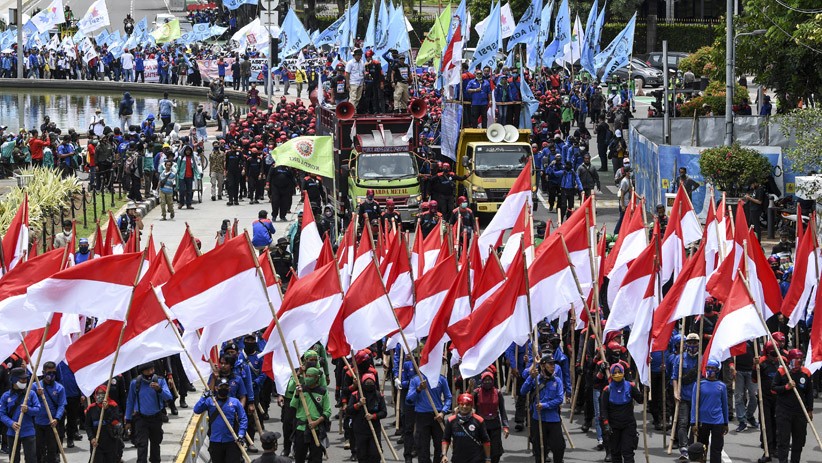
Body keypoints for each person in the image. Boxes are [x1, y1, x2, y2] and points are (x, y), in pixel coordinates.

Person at [771, 348, 813, 463]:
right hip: (784, 411)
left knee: (799, 441)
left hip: (800, 412)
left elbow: (809, 392)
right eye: (796, 359)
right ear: (790, 360)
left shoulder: (806, 373)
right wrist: (786, 387)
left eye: (800, 359)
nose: (798, 361)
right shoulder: (781, 372)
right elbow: (773, 389)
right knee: (783, 441)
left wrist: (810, 410)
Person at [125, 362, 173, 463]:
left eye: (152, 370)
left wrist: (159, 390)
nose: (150, 373)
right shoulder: (135, 383)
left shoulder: (160, 380)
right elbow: (130, 401)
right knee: (142, 445)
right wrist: (128, 420)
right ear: (142, 372)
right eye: (147, 371)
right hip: (141, 419)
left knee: (155, 443)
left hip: (156, 418)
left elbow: (169, 397)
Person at [521, 356, 565, 463]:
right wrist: (530, 377)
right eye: (550, 364)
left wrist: (545, 405)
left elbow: (559, 399)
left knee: (559, 447)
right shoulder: (535, 379)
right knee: (540, 449)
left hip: (553, 419)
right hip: (538, 419)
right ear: (542, 366)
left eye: (553, 364)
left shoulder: (557, 381)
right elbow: (523, 391)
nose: (552, 367)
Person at [194, 377, 248, 463]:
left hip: (232, 441)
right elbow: (197, 410)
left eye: (226, 387)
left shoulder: (235, 402)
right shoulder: (210, 401)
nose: (224, 389)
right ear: (216, 388)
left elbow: (243, 419)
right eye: (221, 387)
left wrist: (241, 434)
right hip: (215, 441)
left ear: (229, 389)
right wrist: (204, 397)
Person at [600, 363, 643, 463]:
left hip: (628, 425)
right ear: (611, 374)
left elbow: (641, 400)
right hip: (613, 426)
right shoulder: (607, 390)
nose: (617, 374)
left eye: (619, 372)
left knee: (628, 452)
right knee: (615, 453)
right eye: (615, 373)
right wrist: (606, 424)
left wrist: (646, 390)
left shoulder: (630, 386)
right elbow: (603, 409)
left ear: (623, 373)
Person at [407, 372, 452, 463]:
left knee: (440, 447)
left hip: (438, 416)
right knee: (422, 447)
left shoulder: (441, 379)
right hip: (422, 416)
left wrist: (443, 412)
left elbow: (448, 397)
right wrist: (418, 389)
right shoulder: (415, 379)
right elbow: (408, 400)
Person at [690, 359, 728, 463]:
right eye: (708, 368)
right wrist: (693, 422)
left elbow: (725, 405)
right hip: (703, 421)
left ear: (717, 370)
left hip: (718, 421)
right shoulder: (698, 384)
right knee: (701, 448)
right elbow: (694, 404)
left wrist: (726, 423)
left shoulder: (722, 386)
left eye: (712, 368)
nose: (710, 370)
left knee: (716, 449)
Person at [0, 368, 41, 463]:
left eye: (26, 379)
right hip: (12, 432)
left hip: (28, 431)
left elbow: (38, 409)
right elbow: (1, 413)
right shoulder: (6, 396)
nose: (24, 381)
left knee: (31, 459)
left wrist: (28, 409)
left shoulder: (31, 394)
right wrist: (11, 423)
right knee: (14, 459)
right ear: (14, 380)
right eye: (21, 379)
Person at [290, 367, 331, 463]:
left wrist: (316, 422)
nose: (307, 378)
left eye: (310, 376)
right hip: (301, 429)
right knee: (299, 457)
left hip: (316, 430)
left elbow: (327, 411)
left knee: (316, 458)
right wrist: (296, 394)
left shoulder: (322, 391)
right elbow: (293, 405)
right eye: (306, 376)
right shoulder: (301, 390)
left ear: (316, 378)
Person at [345, 372, 387, 463]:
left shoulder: (378, 396)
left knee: (375, 454)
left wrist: (374, 416)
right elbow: (348, 410)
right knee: (362, 455)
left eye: (371, 383)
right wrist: (358, 404)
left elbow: (384, 412)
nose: (369, 385)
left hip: (374, 430)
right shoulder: (356, 395)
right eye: (367, 383)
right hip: (360, 430)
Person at [673, 333, 701, 461]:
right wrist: (675, 391)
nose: (692, 345)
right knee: (683, 423)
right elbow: (674, 377)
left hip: (697, 398)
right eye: (690, 342)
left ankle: (691, 448)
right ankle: (683, 449)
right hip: (683, 396)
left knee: (695, 424)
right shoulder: (680, 359)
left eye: (695, 343)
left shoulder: (702, 359)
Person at [441, 393, 491, 463]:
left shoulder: (479, 420)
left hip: (476, 459)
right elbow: (445, 440)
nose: (464, 406)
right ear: (458, 405)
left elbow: (486, 441)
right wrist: (444, 455)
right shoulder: (451, 420)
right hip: (457, 459)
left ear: (471, 406)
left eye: (467, 404)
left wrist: (488, 459)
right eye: (462, 404)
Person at [472, 371, 509, 463]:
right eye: (485, 380)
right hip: (481, 426)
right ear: (482, 380)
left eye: (489, 380)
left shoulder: (498, 393)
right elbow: (472, 408)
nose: (487, 382)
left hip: (494, 425)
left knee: (496, 452)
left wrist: (505, 427)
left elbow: (502, 411)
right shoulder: (476, 393)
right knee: (481, 451)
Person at [34, 362, 66, 463]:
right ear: (43, 372)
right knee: (39, 449)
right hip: (38, 423)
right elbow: (28, 402)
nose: (51, 375)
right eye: (49, 372)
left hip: (52, 423)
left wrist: (57, 418)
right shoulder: (35, 387)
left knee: (52, 450)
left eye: (53, 372)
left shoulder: (60, 388)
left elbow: (62, 405)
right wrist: (36, 394)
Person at [85, 385, 125, 463]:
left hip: (111, 441)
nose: (100, 395)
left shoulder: (113, 406)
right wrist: (91, 438)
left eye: (103, 393)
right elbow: (88, 425)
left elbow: (116, 421)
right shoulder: (91, 408)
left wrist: (107, 410)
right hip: (96, 443)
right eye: (98, 393)